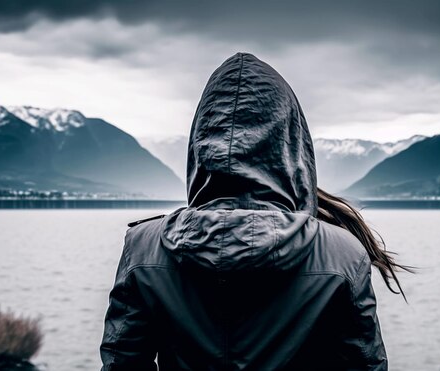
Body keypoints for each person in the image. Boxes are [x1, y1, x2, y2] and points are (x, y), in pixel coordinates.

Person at [100, 52, 409, 370]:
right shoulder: (342, 254)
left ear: (200, 143)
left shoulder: (142, 248)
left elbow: (122, 363)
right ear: (291, 143)